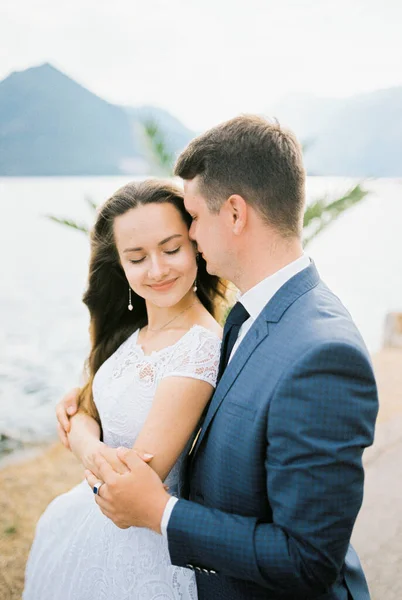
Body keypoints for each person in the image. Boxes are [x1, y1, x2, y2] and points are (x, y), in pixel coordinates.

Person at [67, 115, 378, 600]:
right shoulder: (250, 314)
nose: (189, 232)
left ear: (233, 214)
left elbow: (309, 560)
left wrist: (160, 512)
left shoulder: (323, 354)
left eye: (191, 216)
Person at [23, 179, 225, 600]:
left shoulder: (200, 347)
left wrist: (84, 440)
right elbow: (86, 408)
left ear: (196, 246)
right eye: (137, 258)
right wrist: (82, 417)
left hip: (141, 546)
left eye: (171, 249)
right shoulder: (134, 333)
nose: (157, 270)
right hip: (85, 522)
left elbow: (134, 480)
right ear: (120, 265)